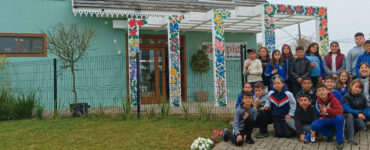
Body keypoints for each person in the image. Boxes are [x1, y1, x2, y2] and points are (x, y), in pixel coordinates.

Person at [311, 84, 345, 149]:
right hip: (326, 119)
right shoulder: (319, 100)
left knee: (340, 117)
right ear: (317, 94)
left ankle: (340, 141)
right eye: (319, 91)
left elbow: (340, 111)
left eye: (323, 90)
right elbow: (322, 113)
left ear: (328, 91)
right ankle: (330, 134)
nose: (321, 92)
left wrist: (328, 110)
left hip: (335, 119)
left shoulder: (334, 100)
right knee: (313, 125)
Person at [343, 79, 370, 145]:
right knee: (350, 115)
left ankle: (347, 132)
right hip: (348, 115)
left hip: (358, 115)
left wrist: (363, 113)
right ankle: (350, 137)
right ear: (351, 86)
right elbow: (346, 108)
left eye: (360, 88)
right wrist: (357, 113)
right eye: (356, 86)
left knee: (361, 125)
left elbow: (365, 107)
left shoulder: (362, 95)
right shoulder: (346, 96)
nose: (358, 89)